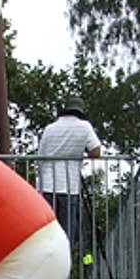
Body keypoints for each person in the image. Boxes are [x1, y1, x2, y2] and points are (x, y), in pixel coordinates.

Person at [37, 96, 102, 244]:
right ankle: (65, 257)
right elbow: (96, 152)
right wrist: (80, 149)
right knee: (67, 233)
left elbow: (40, 155)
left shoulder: (50, 128)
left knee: (47, 233)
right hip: (68, 186)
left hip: (46, 185)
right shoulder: (84, 127)